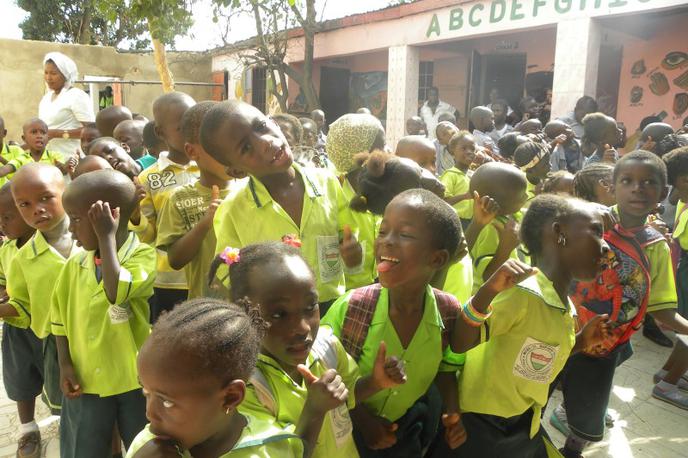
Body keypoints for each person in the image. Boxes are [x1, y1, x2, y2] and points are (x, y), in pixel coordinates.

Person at [212, 242, 405, 458]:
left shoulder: (327, 347)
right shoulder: (245, 388)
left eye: (310, 306)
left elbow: (345, 396)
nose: (303, 328)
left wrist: (376, 383)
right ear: (243, 312)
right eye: (279, 314)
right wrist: (314, 410)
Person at [552, 151, 688, 458]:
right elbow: (551, 249)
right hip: (561, 323)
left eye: (648, 182)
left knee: (590, 398)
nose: (637, 189)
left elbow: (661, 307)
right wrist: (581, 218)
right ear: (612, 188)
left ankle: (572, 447)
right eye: (627, 181)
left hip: (606, 341)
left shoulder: (655, 246)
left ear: (663, 193)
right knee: (547, 379)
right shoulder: (585, 218)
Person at [452, 195, 612, 457]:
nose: (605, 247)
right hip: (481, 427)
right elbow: (460, 343)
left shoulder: (563, 305)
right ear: (560, 233)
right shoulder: (522, 293)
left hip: (522, 423)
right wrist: (487, 291)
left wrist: (581, 342)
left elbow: (535, 362)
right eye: (596, 231)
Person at [323, 189, 471, 457]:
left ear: (437, 259)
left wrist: (452, 410)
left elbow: (447, 368)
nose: (386, 242)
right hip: (344, 431)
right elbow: (320, 375)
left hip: (403, 430)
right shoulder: (354, 307)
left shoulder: (448, 312)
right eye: (383, 232)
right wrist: (362, 419)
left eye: (404, 235)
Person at [202, 100, 362, 313]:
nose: (265, 142)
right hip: (276, 317)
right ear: (237, 172)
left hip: (332, 308)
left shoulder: (328, 182)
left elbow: (348, 235)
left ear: (274, 123)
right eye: (246, 147)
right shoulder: (233, 210)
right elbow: (229, 272)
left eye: (261, 126)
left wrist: (353, 254)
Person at [52, 169, 155, 457]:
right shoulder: (74, 265)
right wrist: (65, 365)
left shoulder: (143, 256)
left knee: (143, 443)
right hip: (87, 378)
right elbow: (58, 318)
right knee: (85, 445)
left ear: (108, 218)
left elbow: (116, 293)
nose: (70, 229)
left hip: (133, 377)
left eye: (75, 219)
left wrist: (106, 238)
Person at [126, 298, 305, 457]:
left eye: (167, 402)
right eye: (146, 393)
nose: (150, 414)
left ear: (230, 397)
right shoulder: (145, 446)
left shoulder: (270, 450)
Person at [3, 164, 81, 432]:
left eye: (45, 197)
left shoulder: (93, 237)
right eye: (24, 204)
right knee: (71, 404)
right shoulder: (23, 258)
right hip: (56, 344)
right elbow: (22, 306)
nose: (36, 209)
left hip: (102, 333)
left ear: (66, 193)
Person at [156, 101, 231, 300]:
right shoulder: (179, 198)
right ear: (192, 151)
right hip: (207, 306)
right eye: (217, 149)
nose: (229, 156)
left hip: (253, 306)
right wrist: (205, 223)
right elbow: (175, 260)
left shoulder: (252, 190)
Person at [137, 92, 199, 322]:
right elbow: (148, 235)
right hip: (170, 280)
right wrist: (135, 216)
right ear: (160, 132)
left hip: (212, 274)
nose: (193, 133)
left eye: (196, 125)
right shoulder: (149, 179)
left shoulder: (215, 169)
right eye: (183, 127)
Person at [0, 183, 41, 458]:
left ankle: (69, 422)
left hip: (49, 330)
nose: (2, 225)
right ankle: (28, 430)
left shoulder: (46, 247)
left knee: (57, 379)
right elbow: (4, 283)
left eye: (7, 217)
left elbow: (35, 302)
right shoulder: (7, 249)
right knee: (19, 379)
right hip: (17, 330)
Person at [326, 114, 385, 290]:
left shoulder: (382, 190)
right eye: (381, 146)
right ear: (361, 154)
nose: (387, 150)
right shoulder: (334, 197)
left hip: (376, 284)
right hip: (344, 296)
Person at [465, 162, 528, 293]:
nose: (527, 197)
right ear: (503, 202)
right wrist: (506, 247)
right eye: (522, 195)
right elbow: (488, 277)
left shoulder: (510, 215)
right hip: (487, 302)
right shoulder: (490, 229)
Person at [39, 52, 96, 162]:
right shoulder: (46, 98)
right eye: (46, 73)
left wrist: (58, 134)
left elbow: (91, 130)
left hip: (71, 159)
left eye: (53, 73)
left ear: (65, 75)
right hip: (49, 159)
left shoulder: (76, 96)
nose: (48, 77)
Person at [0, 118, 67, 182]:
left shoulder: (55, 156)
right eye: (34, 132)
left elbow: (64, 170)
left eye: (43, 133)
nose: (39, 136)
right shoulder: (22, 159)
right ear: (24, 138)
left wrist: (63, 168)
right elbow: (4, 170)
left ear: (48, 138)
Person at [441, 131, 476, 228]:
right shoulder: (450, 175)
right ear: (452, 152)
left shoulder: (474, 175)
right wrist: (465, 196)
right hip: (455, 221)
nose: (469, 152)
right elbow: (443, 201)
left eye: (472, 149)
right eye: (463, 148)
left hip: (472, 222)